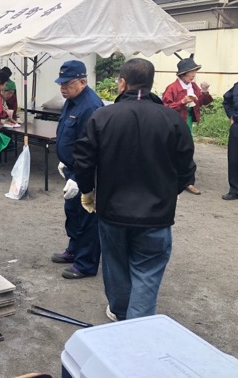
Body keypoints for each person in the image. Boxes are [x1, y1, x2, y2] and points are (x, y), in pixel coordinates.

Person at [74, 58, 196, 321]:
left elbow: (83, 161)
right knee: (147, 272)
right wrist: (166, 193)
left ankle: (122, 313)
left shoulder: (103, 116)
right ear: (151, 84)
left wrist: (87, 191)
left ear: (122, 83)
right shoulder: (171, 119)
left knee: (115, 264)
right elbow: (186, 169)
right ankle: (136, 324)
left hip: (112, 210)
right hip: (156, 214)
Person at [52, 60, 103, 280]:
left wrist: (78, 176)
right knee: (72, 212)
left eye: (68, 84)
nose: (63, 88)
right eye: (61, 84)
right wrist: (64, 160)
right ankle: (74, 250)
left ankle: (86, 264)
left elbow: (91, 147)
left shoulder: (90, 106)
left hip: (84, 172)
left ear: (82, 81)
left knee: (87, 216)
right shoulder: (72, 101)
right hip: (72, 169)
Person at [162, 58, 212, 195]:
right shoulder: (172, 88)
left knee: (188, 151)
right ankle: (170, 179)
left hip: (187, 121)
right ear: (183, 73)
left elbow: (203, 102)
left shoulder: (193, 86)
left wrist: (205, 91)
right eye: (191, 72)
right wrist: (182, 102)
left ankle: (189, 182)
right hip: (175, 123)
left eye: (194, 72)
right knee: (172, 150)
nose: (193, 75)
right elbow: (165, 108)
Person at [222, 81, 238, 200]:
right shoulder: (237, 86)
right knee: (234, 158)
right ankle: (234, 190)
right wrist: (231, 115)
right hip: (237, 125)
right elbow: (226, 100)